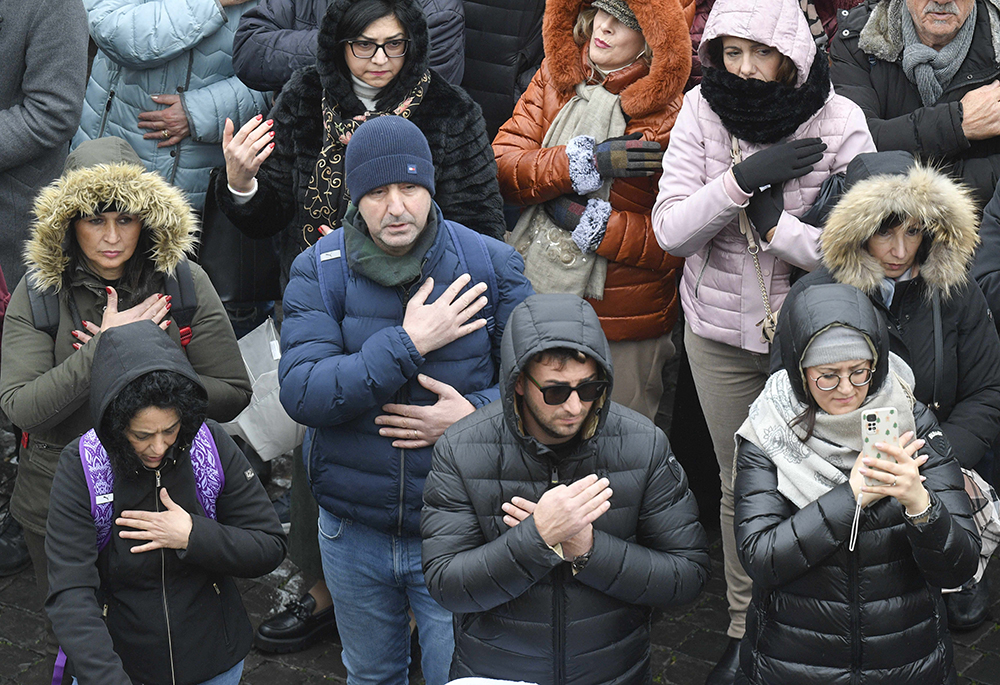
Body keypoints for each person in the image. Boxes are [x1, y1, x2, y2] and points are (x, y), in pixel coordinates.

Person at [650, 0, 875, 680]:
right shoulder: (700, 110)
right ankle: (747, 626)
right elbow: (671, 229)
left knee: (825, 482)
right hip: (717, 336)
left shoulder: (842, 121)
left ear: (791, 52)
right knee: (739, 483)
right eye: (732, 51)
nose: (745, 69)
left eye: (760, 52)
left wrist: (782, 230)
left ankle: (821, 622)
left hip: (815, 341)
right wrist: (738, 183)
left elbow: (869, 253)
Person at [278, 116, 533, 684]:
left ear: (431, 186)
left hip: (458, 531)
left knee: (458, 676)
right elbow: (303, 391)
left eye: (410, 188)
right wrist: (411, 342)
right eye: (376, 192)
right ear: (355, 198)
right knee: (371, 676)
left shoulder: (491, 264)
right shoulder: (319, 273)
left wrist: (476, 416)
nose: (396, 207)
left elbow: (546, 391)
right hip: (352, 531)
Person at [0, 137, 252, 651]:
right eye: (95, 220)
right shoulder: (39, 292)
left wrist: (155, 359)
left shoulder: (184, 281)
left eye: (127, 219)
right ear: (68, 223)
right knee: (87, 641)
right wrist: (104, 352)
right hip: (59, 501)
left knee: (168, 635)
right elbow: (22, 408)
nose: (112, 237)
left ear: (148, 218)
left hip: (169, 498)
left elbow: (232, 393)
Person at [421, 293, 711, 682]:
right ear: (520, 382)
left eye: (589, 388)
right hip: (500, 673)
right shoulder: (461, 449)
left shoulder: (644, 444)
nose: (575, 406)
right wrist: (538, 538)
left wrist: (587, 551)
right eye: (556, 391)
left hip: (612, 672)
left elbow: (686, 576)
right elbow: (446, 585)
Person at [774, 150, 1000, 630]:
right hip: (836, 471)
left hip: (935, 461)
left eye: (913, 232)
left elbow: (987, 391)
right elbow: (785, 400)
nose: (900, 250)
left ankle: (952, 580)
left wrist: (934, 464)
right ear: (858, 231)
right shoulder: (813, 295)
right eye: (885, 232)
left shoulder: (956, 290)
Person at [733, 282, 980, 684]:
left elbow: (959, 568)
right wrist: (851, 498)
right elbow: (760, 555)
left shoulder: (910, 419)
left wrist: (921, 504)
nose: (846, 389)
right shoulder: (769, 428)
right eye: (827, 376)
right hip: (796, 656)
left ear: (877, 362)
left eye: (859, 372)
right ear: (800, 370)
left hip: (906, 655)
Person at [45, 320, 286, 685]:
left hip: (214, 665)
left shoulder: (210, 444)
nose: (159, 447)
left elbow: (269, 545)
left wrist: (194, 535)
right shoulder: (82, 466)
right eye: (142, 435)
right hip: (121, 667)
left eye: (170, 430)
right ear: (114, 424)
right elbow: (70, 592)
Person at [493, 0, 692, 420]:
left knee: (618, 452)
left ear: (654, 39)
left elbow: (679, 241)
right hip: (537, 301)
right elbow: (501, 168)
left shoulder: (674, 117)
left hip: (624, 322)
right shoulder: (554, 78)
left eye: (626, 19)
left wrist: (594, 226)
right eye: (601, 8)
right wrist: (581, 163)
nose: (604, 26)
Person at [219, 0, 506, 283]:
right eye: (364, 45)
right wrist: (242, 184)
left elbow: (477, 233)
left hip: (414, 303)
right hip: (312, 291)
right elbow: (270, 218)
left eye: (394, 44)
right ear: (339, 44)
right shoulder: (304, 96)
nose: (380, 59)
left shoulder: (450, 112)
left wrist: (374, 256)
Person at [0, 0, 89, 581]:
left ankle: (22, 513)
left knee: (23, 376)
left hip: (13, 229)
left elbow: (53, 111)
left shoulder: (52, 5)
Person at [73, 0, 269, 211]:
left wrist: (199, 112)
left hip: (198, 176)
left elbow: (278, 76)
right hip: (111, 152)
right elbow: (111, 28)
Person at [830, 0, 1000, 209]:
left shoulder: (996, 34)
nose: (942, 0)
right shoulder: (859, 39)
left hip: (986, 226)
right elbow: (855, 148)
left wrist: (912, 190)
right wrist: (957, 124)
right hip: (887, 228)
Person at [233, 0, 466, 92]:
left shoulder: (437, 9)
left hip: (388, 178)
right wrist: (338, 42)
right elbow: (249, 53)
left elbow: (421, 106)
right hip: (295, 167)